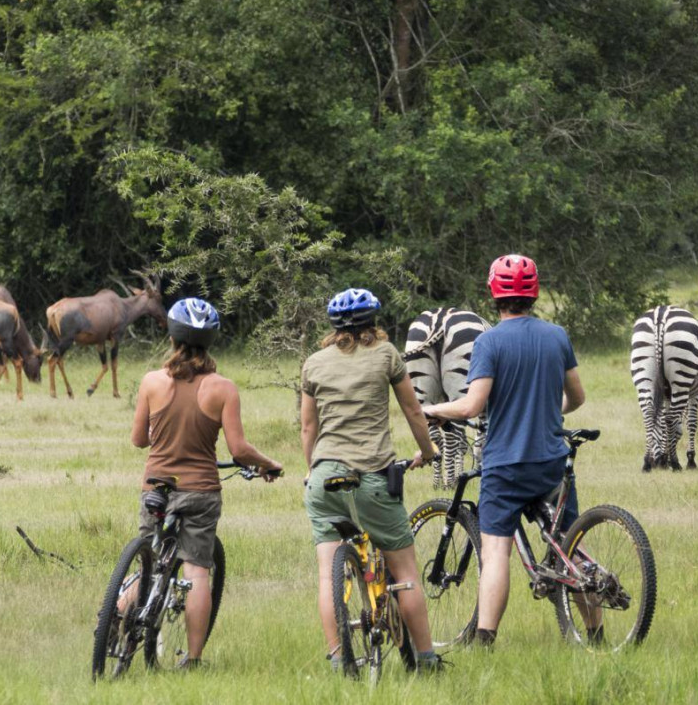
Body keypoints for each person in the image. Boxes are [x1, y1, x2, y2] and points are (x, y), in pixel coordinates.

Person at [423, 254, 586, 647]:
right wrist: (547, 411)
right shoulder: (556, 336)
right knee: (572, 544)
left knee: (496, 552)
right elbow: (576, 398)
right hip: (551, 462)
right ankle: (594, 635)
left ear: (494, 292)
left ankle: (485, 639)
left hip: (506, 466)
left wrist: (430, 409)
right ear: (535, 293)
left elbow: (471, 407)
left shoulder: (489, 341)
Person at [131, 297, 283, 669]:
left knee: (147, 563)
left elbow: (139, 440)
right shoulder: (223, 388)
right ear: (211, 339)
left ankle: (115, 625)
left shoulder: (151, 381)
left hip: (157, 486)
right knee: (197, 571)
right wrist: (268, 463)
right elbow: (239, 448)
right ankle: (194, 659)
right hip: (200, 492)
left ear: (172, 336)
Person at [300, 288, 442, 673]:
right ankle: (427, 660)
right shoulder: (386, 354)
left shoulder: (313, 362)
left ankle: (336, 659)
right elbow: (412, 410)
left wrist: (311, 469)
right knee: (407, 573)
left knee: (328, 573)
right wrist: (427, 452)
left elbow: (308, 426)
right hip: (372, 477)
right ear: (373, 322)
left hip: (324, 478)